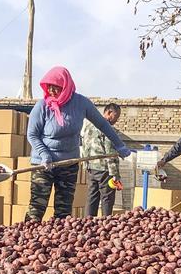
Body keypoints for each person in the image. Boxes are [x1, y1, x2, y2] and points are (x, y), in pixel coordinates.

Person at [26, 67, 131, 221]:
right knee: (36, 208)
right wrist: (44, 154)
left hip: (69, 164)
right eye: (49, 87)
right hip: (43, 164)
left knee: (63, 212)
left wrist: (119, 144)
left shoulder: (81, 103)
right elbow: (32, 135)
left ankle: (58, 235)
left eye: (56, 87)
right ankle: (29, 232)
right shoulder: (42, 106)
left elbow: (102, 124)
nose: (52, 91)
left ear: (65, 86)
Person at [81, 103, 123, 217]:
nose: (116, 120)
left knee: (92, 197)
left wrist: (86, 164)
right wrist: (115, 174)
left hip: (90, 167)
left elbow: (83, 145)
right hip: (104, 169)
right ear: (109, 112)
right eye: (116, 117)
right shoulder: (106, 127)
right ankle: (106, 223)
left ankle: (88, 222)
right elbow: (110, 152)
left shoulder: (89, 124)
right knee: (107, 198)